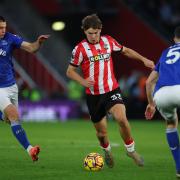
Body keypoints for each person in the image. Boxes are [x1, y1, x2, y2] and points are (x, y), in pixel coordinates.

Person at [66, 14, 154, 168]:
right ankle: (107, 151)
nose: (93, 36)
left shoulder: (108, 41)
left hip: (111, 90)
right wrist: (83, 81)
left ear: (100, 30)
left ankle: (131, 150)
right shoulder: (79, 49)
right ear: (84, 32)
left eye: (96, 33)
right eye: (89, 33)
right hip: (93, 96)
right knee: (101, 134)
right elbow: (70, 71)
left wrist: (144, 59)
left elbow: (125, 51)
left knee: (121, 118)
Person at [0, 16, 49, 162]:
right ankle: (30, 149)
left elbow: (31, 48)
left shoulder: (10, 38)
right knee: (13, 114)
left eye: (4, 27)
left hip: (11, 86)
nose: (3, 30)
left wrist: (38, 42)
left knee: (10, 120)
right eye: (0, 28)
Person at [145, 26, 180, 178]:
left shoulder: (166, 52)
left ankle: (179, 167)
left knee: (171, 123)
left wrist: (151, 104)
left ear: (174, 38)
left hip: (162, 94)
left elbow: (148, 82)